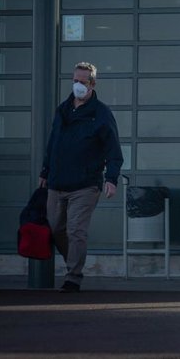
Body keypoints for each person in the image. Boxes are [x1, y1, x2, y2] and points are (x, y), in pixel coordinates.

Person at [39, 62, 123, 293]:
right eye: (75, 80)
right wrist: (45, 172)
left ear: (92, 84)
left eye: (82, 82)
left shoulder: (101, 114)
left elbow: (114, 151)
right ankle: (72, 261)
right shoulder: (63, 110)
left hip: (85, 185)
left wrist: (111, 179)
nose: (77, 85)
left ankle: (73, 277)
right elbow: (53, 143)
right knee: (56, 229)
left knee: (76, 230)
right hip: (57, 182)